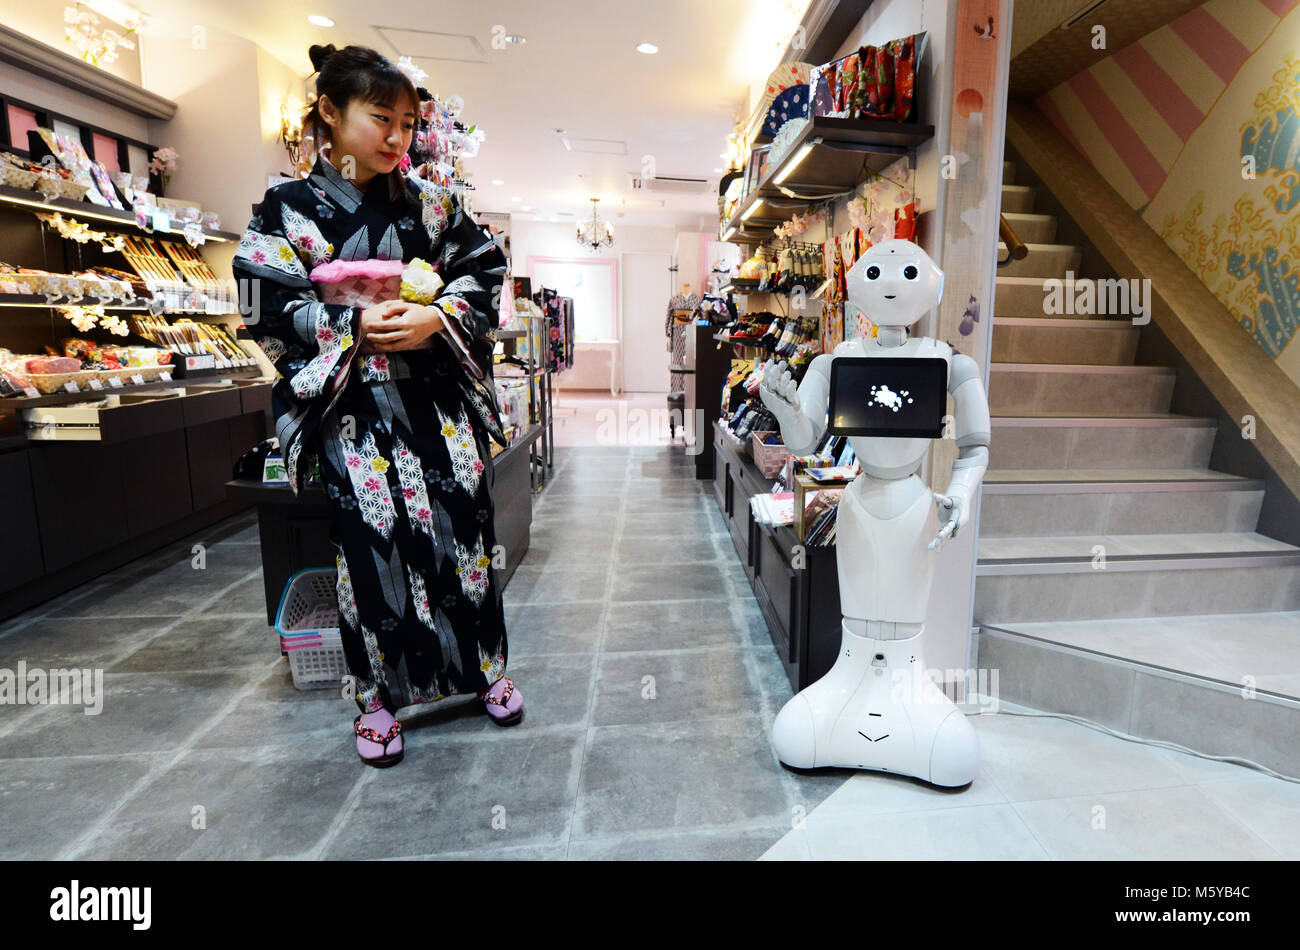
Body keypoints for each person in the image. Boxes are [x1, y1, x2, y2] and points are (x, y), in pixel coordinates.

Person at [232, 43, 524, 768]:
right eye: (380, 118)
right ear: (330, 113)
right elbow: (259, 300)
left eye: (406, 123)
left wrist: (439, 318)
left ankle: (483, 671)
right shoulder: (287, 210)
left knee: (465, 531)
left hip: (437, 402)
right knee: (371, 547)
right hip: (354, 411)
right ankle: (377, 700)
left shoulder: (432, 205)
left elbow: (486, 273)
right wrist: (346, 327)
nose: (397, 138)